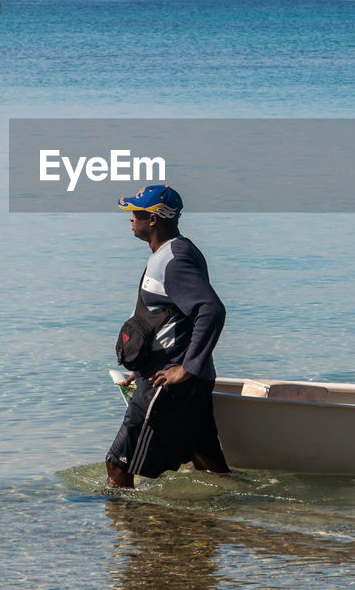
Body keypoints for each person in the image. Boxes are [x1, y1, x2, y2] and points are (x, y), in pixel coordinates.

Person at [106, 184, 230, 488]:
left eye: (137, 212)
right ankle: (236, 514)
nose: (131, 218)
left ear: (154, 219)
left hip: (170, 381)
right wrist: (140, 368)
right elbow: (168, 319)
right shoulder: (169, 253)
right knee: (206, 461)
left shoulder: (175, 258)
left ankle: (129, 527)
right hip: (176, 376)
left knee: (118, 463)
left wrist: (185, 369)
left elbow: (211, 310)